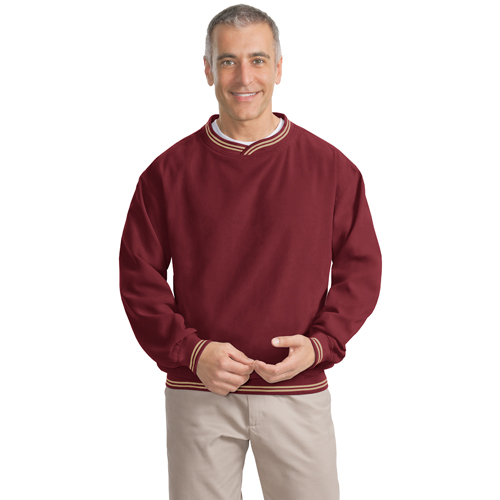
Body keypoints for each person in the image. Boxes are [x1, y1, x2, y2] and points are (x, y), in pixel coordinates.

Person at [119, 4, 382, 499]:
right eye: (228, 61)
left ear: (279, 68)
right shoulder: (166, 174)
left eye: (258, 60)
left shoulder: (331, 169)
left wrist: (321, 345)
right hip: (200, 389)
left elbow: (361, 270)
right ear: (207, 69)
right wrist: (191, 352)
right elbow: (139, 277)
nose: (244, 77)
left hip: (297, 389)